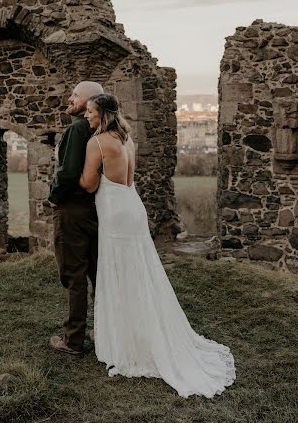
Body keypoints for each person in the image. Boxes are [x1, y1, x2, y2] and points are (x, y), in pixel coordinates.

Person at [79, 93, 236, 398]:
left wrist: (88, 176)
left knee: (117, 272)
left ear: (103, 114)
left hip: (113, 213)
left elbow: (87, 183)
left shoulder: (96, 143)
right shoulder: (127, 140)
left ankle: (127, 341)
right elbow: (129, 178)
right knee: (139, 271)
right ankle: (141, 329)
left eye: (90, 112)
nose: (87, 116)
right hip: (133, 208)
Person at [49, 81, 104, 358]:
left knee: (73, 275)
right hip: (97, 211)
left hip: (71, 211)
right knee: (98, 275)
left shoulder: (76, 129)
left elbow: (68, 173)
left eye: (74, 95)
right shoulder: (102, 130)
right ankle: (104, 332)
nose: (69, 99)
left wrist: (54, 196)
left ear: (88, 100)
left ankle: (73, 340)